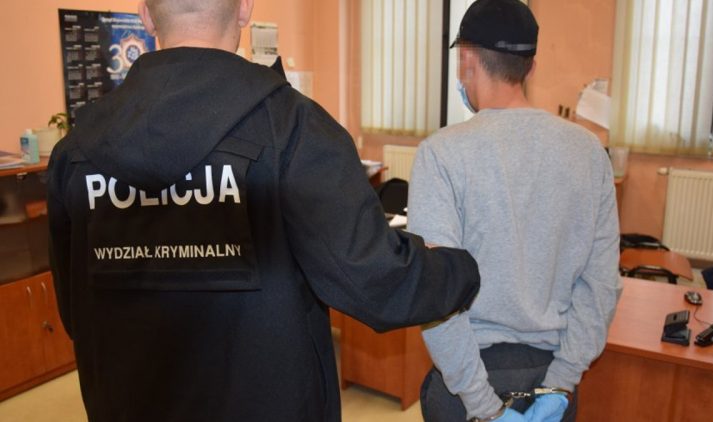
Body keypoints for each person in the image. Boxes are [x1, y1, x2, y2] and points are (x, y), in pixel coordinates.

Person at [47, 1, 482, 421]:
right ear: (244, 8)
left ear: (146, 16)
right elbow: (376, 282)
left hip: (129, 404)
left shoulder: (75, 151)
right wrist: (461, 268)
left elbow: (75, 311)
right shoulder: (294, 130)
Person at [408, 1, 622, 421]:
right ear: (531, 67)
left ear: (467, 60)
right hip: (552, 384)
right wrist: (560, 383)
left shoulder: (441, 154)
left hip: (468, 386)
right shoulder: (589, 153)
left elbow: (436, 296)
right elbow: (600, 286)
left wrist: (485, 408)